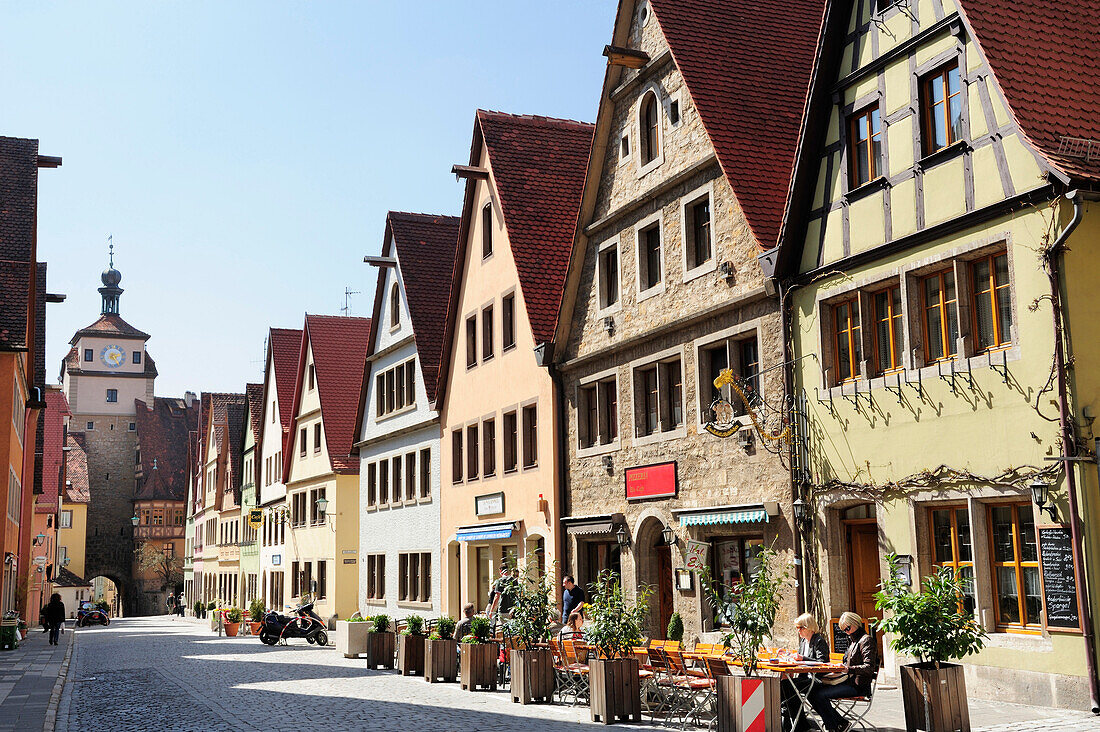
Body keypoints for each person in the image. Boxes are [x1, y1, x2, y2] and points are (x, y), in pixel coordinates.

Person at [808, 611, 877, 732]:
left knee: (819, 695)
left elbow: (869, 667)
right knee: (812, 691)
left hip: (858, 685)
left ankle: (833, 727)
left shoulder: (866, 640)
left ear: (856, 623)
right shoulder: (853, 641)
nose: (847, 632)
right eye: (844, 630)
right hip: (847, 681)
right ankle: (840, 723)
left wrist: (848, 669)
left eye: (848, 628)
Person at [782, 613, 830, 732]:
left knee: (787, 687)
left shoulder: (819, 641)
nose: (798, 631)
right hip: (805, 677)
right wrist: (788, 656)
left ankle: (798, 725)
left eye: (800, 628)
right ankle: (798, 725)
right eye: (797, 628)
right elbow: (799, 658)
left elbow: (823, 661)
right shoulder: (804, 641)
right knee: (786, 686)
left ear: (809, 627)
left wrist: (802, 658)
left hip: (816, 679)